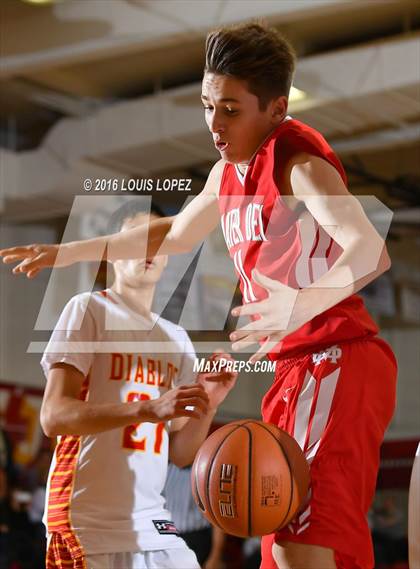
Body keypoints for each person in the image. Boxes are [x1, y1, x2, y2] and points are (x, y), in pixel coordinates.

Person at [0, 22, 397, 569]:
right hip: (294, 366)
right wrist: (67, 253)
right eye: (208, 106)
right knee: (286, 545)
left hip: (335, 356)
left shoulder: (296, 162)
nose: (214, 123)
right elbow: (175, 233)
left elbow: (372, 249)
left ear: (276, 108)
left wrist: (297, 305)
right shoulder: (225, 174)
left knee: (302, 542)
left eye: (231, 109)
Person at [31, 201, 237, 569]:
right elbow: (54, 416)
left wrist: (210, 403)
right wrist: (145, 409)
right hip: (86, 518)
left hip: (152, 519)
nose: (149, 250)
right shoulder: (88, 309)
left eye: (158, 240)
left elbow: (179, 453)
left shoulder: (177, 340)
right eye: (136, 240)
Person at [163, 462, 226, 569]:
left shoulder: (204, 469)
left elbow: (218, 519)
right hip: (167, 538)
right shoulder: (164, 469)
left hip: (197, 539)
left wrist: (216, 555)